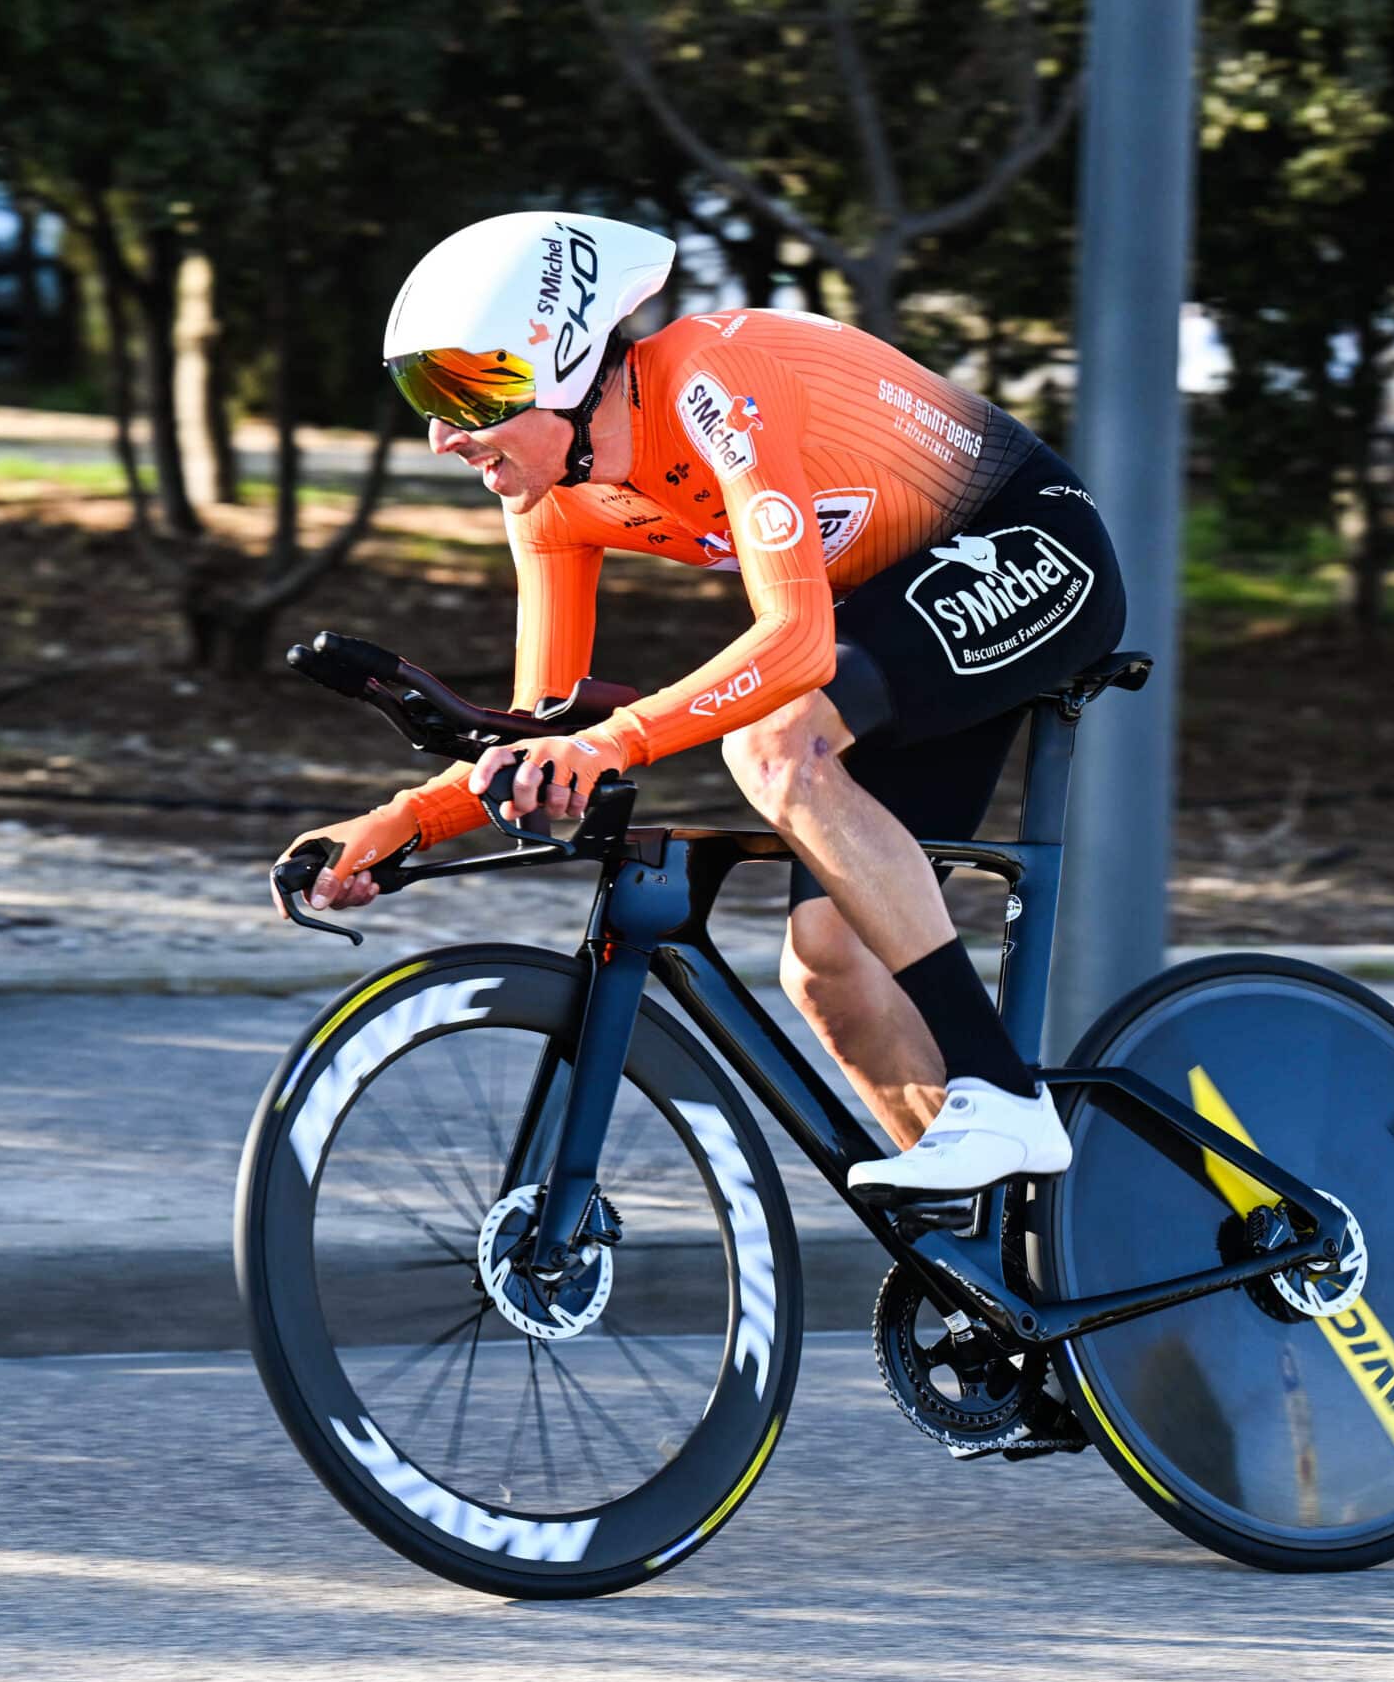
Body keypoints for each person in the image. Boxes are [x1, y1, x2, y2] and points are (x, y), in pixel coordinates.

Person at [281, 211, 1126, 1201]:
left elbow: (796, 642)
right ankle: (1018, 1258)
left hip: (1024, 548)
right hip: (889, 622)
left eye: (464, 389)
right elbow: (542, 730)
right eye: (420, 395)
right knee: (826, 968)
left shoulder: (714, 380)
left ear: (561, 364)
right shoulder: (548, 497)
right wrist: (404, 822)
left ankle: (1002, 1093)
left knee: (776, 746)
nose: (440, 434)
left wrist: (621, 740)